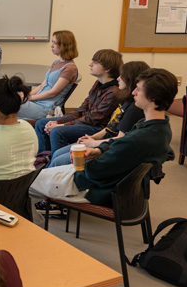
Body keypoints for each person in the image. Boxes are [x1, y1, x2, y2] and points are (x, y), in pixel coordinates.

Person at [29, 68, 178, 212]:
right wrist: (97, 150)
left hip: (92, 187)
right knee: (42, 173)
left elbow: (96, 171)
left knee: (25, 183)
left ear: (152, 98)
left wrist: (75, 168)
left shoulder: (138, 139)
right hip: (102, 180)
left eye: (138, 89)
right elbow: (117, 143)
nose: (133, 92)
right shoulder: (161, 127)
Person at [47, 60, 150, 168]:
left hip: (108, 149)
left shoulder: (134, 109)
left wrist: (93, 143)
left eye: (122, 76)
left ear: (131, 80)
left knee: (58, 161)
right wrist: (92, 137)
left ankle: (53, 180)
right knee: (56, 155)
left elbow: (120, 139)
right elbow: (108, 129)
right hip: (101, 141)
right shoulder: (125, 99)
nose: (118, 78)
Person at [34, 49, 123, 155]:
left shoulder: (114, 92)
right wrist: (59, 121)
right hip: (87, 121)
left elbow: (93, 118)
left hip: (98, 128)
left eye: (95, 62)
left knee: (57, 132)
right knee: (41, 123)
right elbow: (82, 109)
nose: (90, 64)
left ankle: (58, 164)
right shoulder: (98, 83)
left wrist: (61, 125)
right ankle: (46, 157)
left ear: (107, 68)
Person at [17, 30, 79, 121]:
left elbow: (52, 92)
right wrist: (27, 95)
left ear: (64, 45)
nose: (51, 46)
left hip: (46, 108)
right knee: (8, 100)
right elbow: (42, 85)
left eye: (55, 43)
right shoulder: (56, 62)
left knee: (8, 104)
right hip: (37, 102)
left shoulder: (70, 69)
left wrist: (29, 98)